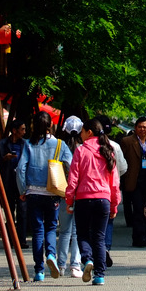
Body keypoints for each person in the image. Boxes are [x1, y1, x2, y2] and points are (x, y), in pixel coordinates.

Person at [16, 112, 73, 281]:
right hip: (52, 192)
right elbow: (71, 166)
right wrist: (68, 188)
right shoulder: (60, 145)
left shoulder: (28, 144)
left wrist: (22, 190)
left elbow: (20, 169)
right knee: (51, 227)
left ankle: (39, 270)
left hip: (33, 192)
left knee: (37, 230)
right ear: (51, 125)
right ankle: (51, 254)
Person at [65, 118, 121, 286]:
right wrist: (114, 204)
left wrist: (69, 200)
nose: (80, 134)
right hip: (103, 199)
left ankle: (87, 259)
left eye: (82, 131)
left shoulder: (81, 151)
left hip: (83, 198)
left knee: (82, 234)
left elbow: (73, 178)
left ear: (89, 132)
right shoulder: (108, 151)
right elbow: (114, 182)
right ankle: (100, 275)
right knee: (99, 238)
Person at [95, 114, 128, 268]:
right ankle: (106, 247)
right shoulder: (115, 146)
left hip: (90, 191)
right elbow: (123, 168)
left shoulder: (87, 146)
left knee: (92, 223)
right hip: (109, 190)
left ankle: (95, 251)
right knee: (108, 221)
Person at [119, 116, 146, 247]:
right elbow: (121, 160)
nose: (142, 129)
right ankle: (138, 238)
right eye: (140, 127)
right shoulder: (127, 141)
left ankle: (142, 236)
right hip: (134, 181)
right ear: (135, 128)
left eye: (144, 127)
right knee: (138, 209)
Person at [57, 116, 84, 278]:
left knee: (64, 231)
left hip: (63, 191)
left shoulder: (59, 146)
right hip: (81, 193)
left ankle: (61, 265)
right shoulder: (83, 148)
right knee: (77, 231)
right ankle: (75, 265)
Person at [0, 118, 28, 248]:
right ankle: (10, 239)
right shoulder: (1, 144)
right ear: (14, 131)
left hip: (21, 182)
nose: (24, 132)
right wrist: (4, 159)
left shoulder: (25, 144)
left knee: (22, 211)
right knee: (9, 211)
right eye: (22, 129)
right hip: (8, 181)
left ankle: (21, 239)